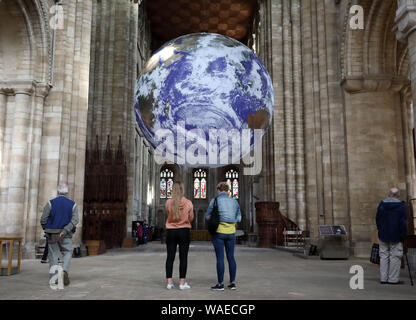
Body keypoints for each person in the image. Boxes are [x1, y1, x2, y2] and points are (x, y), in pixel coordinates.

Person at [205, 182, 241, 291]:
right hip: (231, 233)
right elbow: (239, 218)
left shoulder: (215, 200)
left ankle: (220, 284)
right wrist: (232, 221)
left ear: (219, 190)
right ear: (228, 190)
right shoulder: (234, 201)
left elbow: (207, 216)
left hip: (219, 232)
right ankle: (232, 283)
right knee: (231, 257)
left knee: (220, 258)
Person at [40, 183, 78, 286]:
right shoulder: (73, 204)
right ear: (67, 192)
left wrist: (47, 229)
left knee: (53, 254)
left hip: (52, 234)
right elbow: (75, 220)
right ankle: (64, 271)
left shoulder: (50, 203)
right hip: (66, 234)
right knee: (67, 252)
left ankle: (54, 278)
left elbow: (43, 219)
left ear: (58, 192)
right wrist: (65, 230)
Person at [165, 181, 194, 290]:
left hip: (171, 231)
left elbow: (168, 215)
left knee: (170, 257)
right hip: (184, 231)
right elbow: (190, 218)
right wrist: (183, 220)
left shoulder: (168, 202)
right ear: (182, 189)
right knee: (183, 257)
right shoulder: (188, 203)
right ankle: (182, 283)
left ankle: (169, 282)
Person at [376, 187, 407, 285]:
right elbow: (403, 223)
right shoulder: (401, 206)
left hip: (383, 234)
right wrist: (403, 236)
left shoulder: (381, 205)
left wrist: (381, 230)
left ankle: (383, 278)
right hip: (396, 235)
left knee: (383, 256)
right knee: (395, 256)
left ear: (389, 194)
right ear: (398, 195)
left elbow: (377, 220)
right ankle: (393, 279)